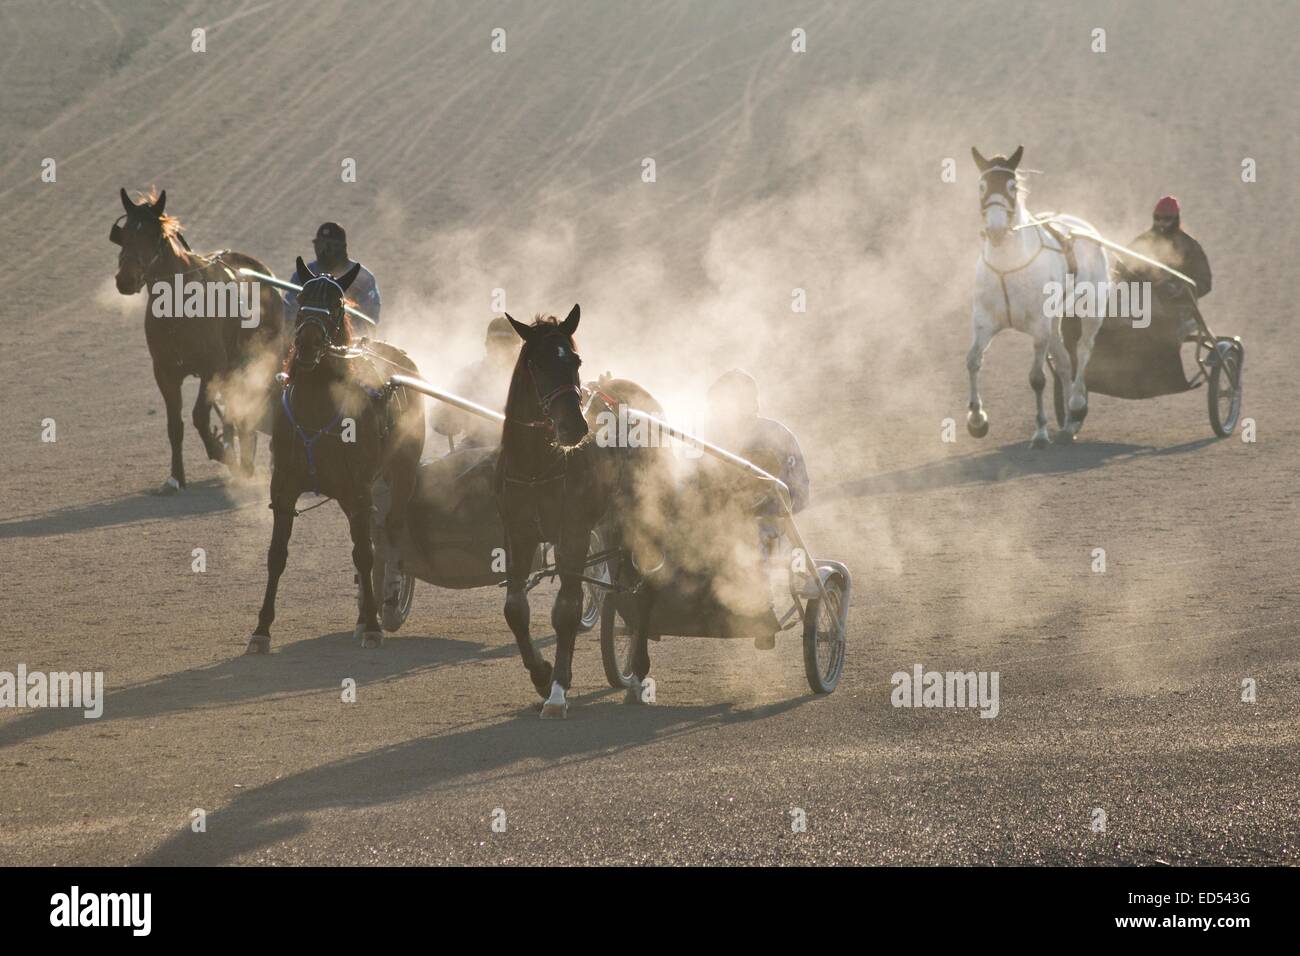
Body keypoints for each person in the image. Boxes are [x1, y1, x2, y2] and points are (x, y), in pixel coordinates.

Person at [1119, 196, 1211, 338]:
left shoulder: (1189, 246)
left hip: (1176, 308)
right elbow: (1121, 264)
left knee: (1155, 330)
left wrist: (1178, 289)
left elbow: (1205, 282)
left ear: (1176, 219)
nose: (1161, 223)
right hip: (1141, 302)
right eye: (1157, 218)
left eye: (1166, 219)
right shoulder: (1143, 241)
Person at [430, 317, 519, 450]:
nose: (501, 349)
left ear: (518, 347)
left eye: (506, 344)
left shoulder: (529, 377)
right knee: (444, 469)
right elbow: (439, 417)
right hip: (475, 447)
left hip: (521, 448)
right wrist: (444, 417)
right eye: (497, 343)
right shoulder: (470, 375)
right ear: (487, 345)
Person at [283, 222, 382, 328]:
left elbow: (370, 316)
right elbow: (290, 309)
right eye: (320, 245)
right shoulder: (302, 275)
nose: (325, 250)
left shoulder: (363, 278)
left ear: (343, 247)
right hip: (306, 332)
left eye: (331, 246)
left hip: (350, 337)